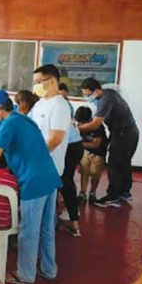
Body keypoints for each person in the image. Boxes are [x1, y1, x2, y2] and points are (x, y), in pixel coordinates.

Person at [0, 90, 61, 284]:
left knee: (29, 230)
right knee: (46, 229)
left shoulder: (9, 123)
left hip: (34, 182)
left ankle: (26, 275)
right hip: (50, 177)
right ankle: (49, 269)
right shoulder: (23, 119)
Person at [78, 78, 139, 208]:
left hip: (123, 133)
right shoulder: (109, 93)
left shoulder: (106, 100)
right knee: (124, 162)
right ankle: (124, 191)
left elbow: (95, 124)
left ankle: (113, 196)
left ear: (96, 91)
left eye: (88, 95)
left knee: (115, 164)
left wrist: (74, 129)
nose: (87, 98)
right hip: (127, 132)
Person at [30, 65, 76, 233]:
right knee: (43, 220)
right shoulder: (40, 104)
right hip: (38, 166)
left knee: (42, 222)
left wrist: (34, 157)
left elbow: (55, 139)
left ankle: (43, 257)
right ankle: (44, 257)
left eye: (38, 82)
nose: (35, 86)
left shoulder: (60, 105)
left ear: (51, 81)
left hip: (48, 167)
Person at [58, 82, 83, 236]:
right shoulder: (62, 104)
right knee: (65, 182)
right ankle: (71, 220)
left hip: (69, 146)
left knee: (65, 182)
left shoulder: (60, 105)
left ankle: (74, 223)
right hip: (73, 144)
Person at [75, 107, 107, 204]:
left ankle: (93, 192)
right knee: (84, 171)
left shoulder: (98, 127)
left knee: (95, 174)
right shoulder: (78, 124)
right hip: (85, 151)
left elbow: (96, 144)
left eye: (82, 122)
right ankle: (82, 193)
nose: (80, 125)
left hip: (98, 153)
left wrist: (79, 143)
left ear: (89, 119)